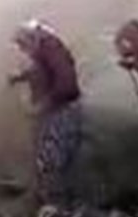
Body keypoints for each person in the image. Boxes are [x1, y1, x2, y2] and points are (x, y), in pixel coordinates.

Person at [9, 21, 83, 199]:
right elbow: (40, 71)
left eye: (22, 44)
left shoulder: (51, 48)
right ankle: (48, 196)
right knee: (46, 158)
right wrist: (19, 77)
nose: (21, 49)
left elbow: (67, 86)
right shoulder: (42, 50)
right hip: (52, 112)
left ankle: (57, 202)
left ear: (30, 37)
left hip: (61, 113)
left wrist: (43, 106)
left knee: (54, 159)